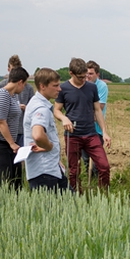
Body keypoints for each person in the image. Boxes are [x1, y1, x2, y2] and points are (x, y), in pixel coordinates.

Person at [54, 57, 111, 191]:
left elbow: (97, 110)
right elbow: (56, 110)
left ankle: (103, 195)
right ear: (71, 73)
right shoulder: (63, 88)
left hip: (91, 134)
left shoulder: (92, 87)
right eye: (80, 77)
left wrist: (104, 132)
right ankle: (75, 196)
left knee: (104, 166)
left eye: (85, 76)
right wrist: (64, 118)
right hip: (72, 135)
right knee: (74, 171)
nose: (84, 79)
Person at [0, 66, 28, 190]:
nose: (24, 87)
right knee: (2, 180)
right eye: (25, 84)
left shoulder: (13, 96)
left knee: (15, 178)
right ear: (20, 82)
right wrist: (12, 144)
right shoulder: (2, 95)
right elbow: (1, 121)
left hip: (7, 143)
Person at [23, 68, 68, 191]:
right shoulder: (41, 108)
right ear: (42, 86)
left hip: (49, 169)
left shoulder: (34, 102)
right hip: (44, 172)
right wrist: (49, 147)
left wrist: (56, 160)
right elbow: (37, 135)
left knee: (71, 204)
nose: (59, 89)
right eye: (55, 85)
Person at [0, 55, 35, 182]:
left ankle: (19, 183)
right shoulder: (1, 86)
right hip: (8, 130)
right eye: (13, 70)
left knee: (20, 161)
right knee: (7, 163)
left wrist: (25, 108)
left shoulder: (28, 88)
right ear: (8, 70)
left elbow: (33, 106)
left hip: (21, 129)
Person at [79, 60, 108, 180]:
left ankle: (97, 180)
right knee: (85, 158)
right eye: (86, 73)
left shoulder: (101, 86)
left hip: (96, 128)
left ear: (97, 74)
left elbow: (99, 107)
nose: (88, 76)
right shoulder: (82, 85)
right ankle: (88, 178)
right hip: (83, 128)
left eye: (91, 73)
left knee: (96, 159)